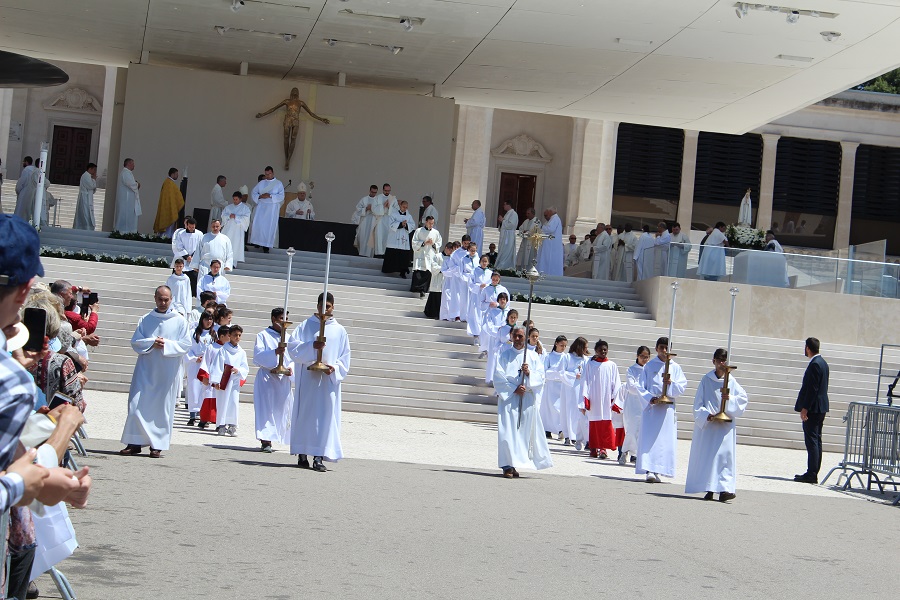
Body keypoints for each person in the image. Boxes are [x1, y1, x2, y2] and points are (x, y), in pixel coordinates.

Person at [119, 285, 191, 458]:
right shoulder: (146, 319)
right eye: (160, 299)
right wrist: (151, 342)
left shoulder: (180, 321)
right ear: (155, 298)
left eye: (166, 300)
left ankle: (156, 444)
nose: (163, 303)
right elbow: (136, 341)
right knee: (136, 404)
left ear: (171, 299)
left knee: (161, 408)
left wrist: (166, 344)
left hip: (166, 372)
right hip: (145, 369)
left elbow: (186, 344)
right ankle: (134, 442)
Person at [287, 293, 351, 472]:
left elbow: (345, 357)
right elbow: (292, 348)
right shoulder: (305, 326)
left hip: (327, 382)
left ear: (333, 307)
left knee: (325, 417)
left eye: (328, 306)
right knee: (305, 414)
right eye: (321, 306)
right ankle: (302, 452)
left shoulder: (339, 330)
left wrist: (335, 368)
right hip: (308, 380)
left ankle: (319, 456)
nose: (324, 310)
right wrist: (310, 347)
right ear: (317, 306)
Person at [685, 349, 749, 502]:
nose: (721, 363)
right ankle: (709, 488)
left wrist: (730, 398)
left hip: (725, 427)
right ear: (713, 361)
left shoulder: (731, 381)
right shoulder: (706, 380)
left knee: (724, 458)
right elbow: (698, 403)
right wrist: (707, 415)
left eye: (724, 360)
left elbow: (742, 399)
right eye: (719, 360)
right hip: (710, 425)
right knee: (710, 457)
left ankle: (724, 490)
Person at [493, 326, 552, 478]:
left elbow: (541, 377)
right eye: (516, 336)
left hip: (526, 398)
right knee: (507, 432)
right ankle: (507, 466)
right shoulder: (504, 355)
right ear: (511, 337)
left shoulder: (533, 356)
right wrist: (514, 389)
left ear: (525, 338)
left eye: (521, 336)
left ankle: (515, 463)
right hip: (509, 398)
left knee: (522, 433)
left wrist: (529, 373)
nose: (518, 339)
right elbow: (498, 376)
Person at [636, 337, 687, 483]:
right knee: (650, 439)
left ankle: (659, 469)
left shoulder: (675, 367)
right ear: (656, 348)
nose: (664, 350)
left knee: (663, 441)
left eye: (666, 347)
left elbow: (682, 387)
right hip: (653, 408)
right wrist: (650, 398)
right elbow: (640, 386)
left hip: (667, 409)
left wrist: (671, 383)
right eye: (661, 347)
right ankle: (649, 470)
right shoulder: (649, 366)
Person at [253, 308, 294, 452]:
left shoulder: (289, 338)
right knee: (266, 409)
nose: (284, 321)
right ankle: (266, 440)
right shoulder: (263, 335)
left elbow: (293, 358)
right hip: (267, 377)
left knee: (280, 409)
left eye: (286, 318)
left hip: (282, 380)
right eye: (281, 318)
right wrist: (274, 352)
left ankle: (279, 436)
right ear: (273, 319)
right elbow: (258, 356)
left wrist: (290, 368)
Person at [794, 337, 829, 484]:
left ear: (808, 348)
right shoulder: (823, 363)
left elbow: (812, 389)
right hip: (820, 407)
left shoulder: (815, 364)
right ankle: (813, 471)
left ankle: (812, 473)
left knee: (812, 441)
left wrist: (805, 408)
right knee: (816, 440)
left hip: (813, 409)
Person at [581, 339, 622, 459]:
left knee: (605, 424)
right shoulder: (590, 364)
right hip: (594, 398)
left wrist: (615, 398)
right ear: (596, 351)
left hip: (606, 398)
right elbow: (585, 380)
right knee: (594, 424)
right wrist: (585, 397)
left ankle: (603, 449)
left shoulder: (612, 365)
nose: (603, 352)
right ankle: (593, 448)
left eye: (605, 349)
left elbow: (616, 383)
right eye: (600, 350)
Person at [211, 325, 248, 437]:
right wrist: (216, 381)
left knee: (233, 403)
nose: (237, 337)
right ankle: (221, 426)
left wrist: (239, 370)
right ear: (229, 335)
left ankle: (232, 426)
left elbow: (245, 367)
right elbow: (217, 365)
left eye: (239, 335)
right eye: (235, 335)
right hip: (224, 381)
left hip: (234, 381)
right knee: (223, 402)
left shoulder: (241, 352)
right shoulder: (223, 350)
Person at [619, 346, 650, 465]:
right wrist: (643, 389)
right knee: (631, 429)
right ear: (637, 356)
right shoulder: (631, 369)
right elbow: (631, 387)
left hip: (645, 404)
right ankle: (624, 451)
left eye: (647, 357)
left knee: (641, 430)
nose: (644, 359)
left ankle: (636, 454)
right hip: (632, 404)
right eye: (642, 356)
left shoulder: (649, 370)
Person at [559, 336, 590, 448]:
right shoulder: (567, 357)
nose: (586, 349)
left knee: (580, 413)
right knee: (568, 411)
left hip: (581, 389)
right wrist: (573, 375)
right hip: (569, 389)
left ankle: (581, 437)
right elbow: (561, 372)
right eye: (585, 347)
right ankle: (568, 435)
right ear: (579, 347)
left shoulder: (586, 359)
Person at [185, 311, 214, 426]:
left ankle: (203, 416)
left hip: (207, 365)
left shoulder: (214, 335)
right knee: (194, 388)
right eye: (206, 319)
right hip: (195, 363)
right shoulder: (193, 333)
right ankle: (193, 415)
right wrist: (194, 358)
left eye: (210, 319)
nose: (208, 322)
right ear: (202, 320)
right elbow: (187, 347)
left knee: (205, 389)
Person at [197, 325, 229, 429]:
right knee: (208, 398)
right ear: (222, 336)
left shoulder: (228, 349)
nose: (230, 337)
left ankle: (219, 422)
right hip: (211, 378)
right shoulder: (212, 347)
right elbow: (205, 362)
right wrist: (205, 376)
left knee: (221, 401)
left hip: (223, 379)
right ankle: (204, 419)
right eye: (228, 335)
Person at [249, 166, 285, 253]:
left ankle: (266, 245)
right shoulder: (261, 183)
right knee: (259, 225)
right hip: (261, 207)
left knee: (268, 227)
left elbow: (281, 196)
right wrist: (260, 196)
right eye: (266, 174)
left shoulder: (278, 183)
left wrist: (270, 196)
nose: (268, 176)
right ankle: (257, 242)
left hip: (272, 208)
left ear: (273, 173)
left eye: (269, 174)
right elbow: (254, 192)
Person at [381, 199, 416, 278]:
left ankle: (402, 272)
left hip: (403, 239)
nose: (405, 209)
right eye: (403, 207)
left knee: (403, 255)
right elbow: (390, 224)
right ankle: (388, 269)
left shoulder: (409, 216)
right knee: (392, 254)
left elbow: (412, 225)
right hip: (394, 237)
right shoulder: (394, 214)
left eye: (406, 207)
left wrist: (406, 225)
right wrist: (400, 224)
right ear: (400, 206)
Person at [410, 215, 442, 298]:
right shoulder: (419, 231)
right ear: (426, 222)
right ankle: (415, 288)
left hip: (430, 255)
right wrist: (424, 243)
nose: (431, 225)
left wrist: (433, 244)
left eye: (432, 223)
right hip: (420, 254)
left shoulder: (436, 232)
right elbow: (414, 242)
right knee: (418, 272)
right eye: (430, 223)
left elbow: (439, 243)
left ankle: (423, 290)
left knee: (427, 272)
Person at [542, 336, 567, 440]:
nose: (563, 348)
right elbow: (544, 371)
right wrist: (556, 373)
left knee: (560, 409)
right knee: (550, 408)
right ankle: (547, 429)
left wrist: (559, 374)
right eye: (561, 345)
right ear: (556, 344)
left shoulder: (566, 357)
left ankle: (561, 429)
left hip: (562, 386)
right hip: (551, 386)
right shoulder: (549, 356)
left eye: (565, 346)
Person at [482, 294, 511, 384]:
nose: (502, 301)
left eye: (504, 299)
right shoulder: (492, 312)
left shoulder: (509, 312)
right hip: (494, 338)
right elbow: (489, 325)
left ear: (507, 301)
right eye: (501, 299)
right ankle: (490, 378)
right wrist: (498, 331)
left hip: (505, 340)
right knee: (492, 358)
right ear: (498, 301)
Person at [171, 216, 203, 295]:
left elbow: (200, 246)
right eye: (189, 227)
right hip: (183, 259)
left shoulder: (199, 234)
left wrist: (193, 256)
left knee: (193, 279)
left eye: (193, 227)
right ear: (187, 225)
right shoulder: (181, 234)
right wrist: (186, 256)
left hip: (194, 260)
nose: (191, 229)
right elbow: (179, 246)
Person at [222, 191, 251, 264]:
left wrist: (236, 217)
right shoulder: (228, 207)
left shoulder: (245, 208)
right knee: (226, 243)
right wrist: (229, 216)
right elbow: (223, 216)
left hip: (238, 230)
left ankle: (233, 262)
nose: (235, 201)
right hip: (228, 229)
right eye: (234, 199)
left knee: (235, 245)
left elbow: (246, 219)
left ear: (240, 199)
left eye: (236, 199)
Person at [153, 168, 184, 236]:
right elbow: (170, 198)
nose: (177, 176)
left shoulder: (169, 183)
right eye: (176, 174)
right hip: (168, 209)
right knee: (167, 231)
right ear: (172, 174)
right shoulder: (169, 183)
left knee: (170, 230)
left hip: (170, 208)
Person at [114, 157, 141, 233]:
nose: (134, 165)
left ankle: (129, 232)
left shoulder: (128, 173)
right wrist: (137, 184)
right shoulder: (125, 173)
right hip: (126, 201)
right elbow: (131, 184)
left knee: (130, 217)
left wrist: (136, 183)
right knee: (125, 217)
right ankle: (124, 232)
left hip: (129, 201)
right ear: (129, 163)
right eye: (133, 164)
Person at [424, 243, 449, 319]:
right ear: (446, 248)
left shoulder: (451, 258)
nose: (450, 251)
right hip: (437, 279)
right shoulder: (437, 256)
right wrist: (443, 269)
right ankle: (431, 313)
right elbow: (433, 266)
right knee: (435, 297)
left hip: (445, 279)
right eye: (449, 249)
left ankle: (440, 314)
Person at [536, 207, 563, 276]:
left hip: (551, 245)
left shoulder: (555, 218)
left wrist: (542, 227)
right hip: (548, 244)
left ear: (551, 212)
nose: (545, 217)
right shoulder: (551, 220)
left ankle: (547, 274)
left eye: (546, 215)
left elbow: (550, 229)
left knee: (549, 260)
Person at [374, 183, 399, 257]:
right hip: (380, 220)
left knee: (387, 236)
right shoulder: (378, 198)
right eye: (386, 190)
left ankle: (386, 253)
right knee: (379, 236)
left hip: (389, 220)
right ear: (383, 190)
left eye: (389, 191)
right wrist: (382, 206)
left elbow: (397, 210)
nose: (387, 192)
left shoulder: (393, 199)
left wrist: (389, 207)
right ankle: (379, 253)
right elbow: (373, 209)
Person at [354, 185, 379, 258]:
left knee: (371, 239)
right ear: (369, 191)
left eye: (375, 192)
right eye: (372, 192)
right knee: (362, 237)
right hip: (364, 221)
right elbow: (358, 210)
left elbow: (381, 212)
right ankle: (361, 254)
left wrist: (373, 209)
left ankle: (370, 256)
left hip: (373, 222)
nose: (373, 194)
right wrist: (366, 208)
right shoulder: (364, 199)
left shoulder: (378, 201)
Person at [73, 162, 98, 230]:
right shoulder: (86, 176)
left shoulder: (89, 176)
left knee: (88, 213)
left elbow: (93, 190)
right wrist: (94, 180)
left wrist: (93, 180)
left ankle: (88, 227)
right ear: (90, 169)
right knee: (85, 213)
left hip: (88, 197)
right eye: (94, 170)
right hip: (85, 198)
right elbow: (91, 186)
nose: (95, 172)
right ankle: (86, 228)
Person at [14, 156, 39, 222]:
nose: (23, 163)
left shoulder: (27, 170)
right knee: (27, 213)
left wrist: (18, 190)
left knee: (20, 211)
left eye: (24, 161)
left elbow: (21, 182)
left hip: (24, 193)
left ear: (26, 162)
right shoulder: (36, 171)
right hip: (33, 194)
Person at [496, 200, 519, 270]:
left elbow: (511, 225)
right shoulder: (507, 214)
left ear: (508, 205)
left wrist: (502, 220)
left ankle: (505, 266)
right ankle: (501, 266)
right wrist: (501, 222)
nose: (503, 206)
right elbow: (504, 225)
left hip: (509, 237)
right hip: (505, 235)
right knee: (503, 250)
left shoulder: (513, 214)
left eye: (504, 204)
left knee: (507, 251)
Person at [438, 242, 458, 321]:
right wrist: (453, 272)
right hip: (448, 281)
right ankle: (445, 316)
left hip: (457, 282)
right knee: (446, 298)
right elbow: (444, 271)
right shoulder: (447, 260)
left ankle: (454, 317)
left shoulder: (460, 261)